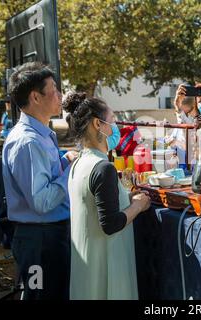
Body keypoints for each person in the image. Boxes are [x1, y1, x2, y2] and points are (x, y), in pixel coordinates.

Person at [63, 92, 151, 300]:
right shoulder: (103, 168)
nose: (115, 128)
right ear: (97, 124)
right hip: (106, 272)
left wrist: (125, 200)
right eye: (111, 121)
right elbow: (110, 223)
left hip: (86, 270)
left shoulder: (78, 164)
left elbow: (94, 205)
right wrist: (137, 206)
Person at [2, 62, 78, 300]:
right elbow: (42, 201)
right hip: (40, 241)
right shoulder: (28, 142)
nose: (60, 95)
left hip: (48, 237)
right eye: (54, 89)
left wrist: (64, 161)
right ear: (35, 97)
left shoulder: (41, 135)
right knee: (41, 296)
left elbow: (46, 175)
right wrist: (73, 172)